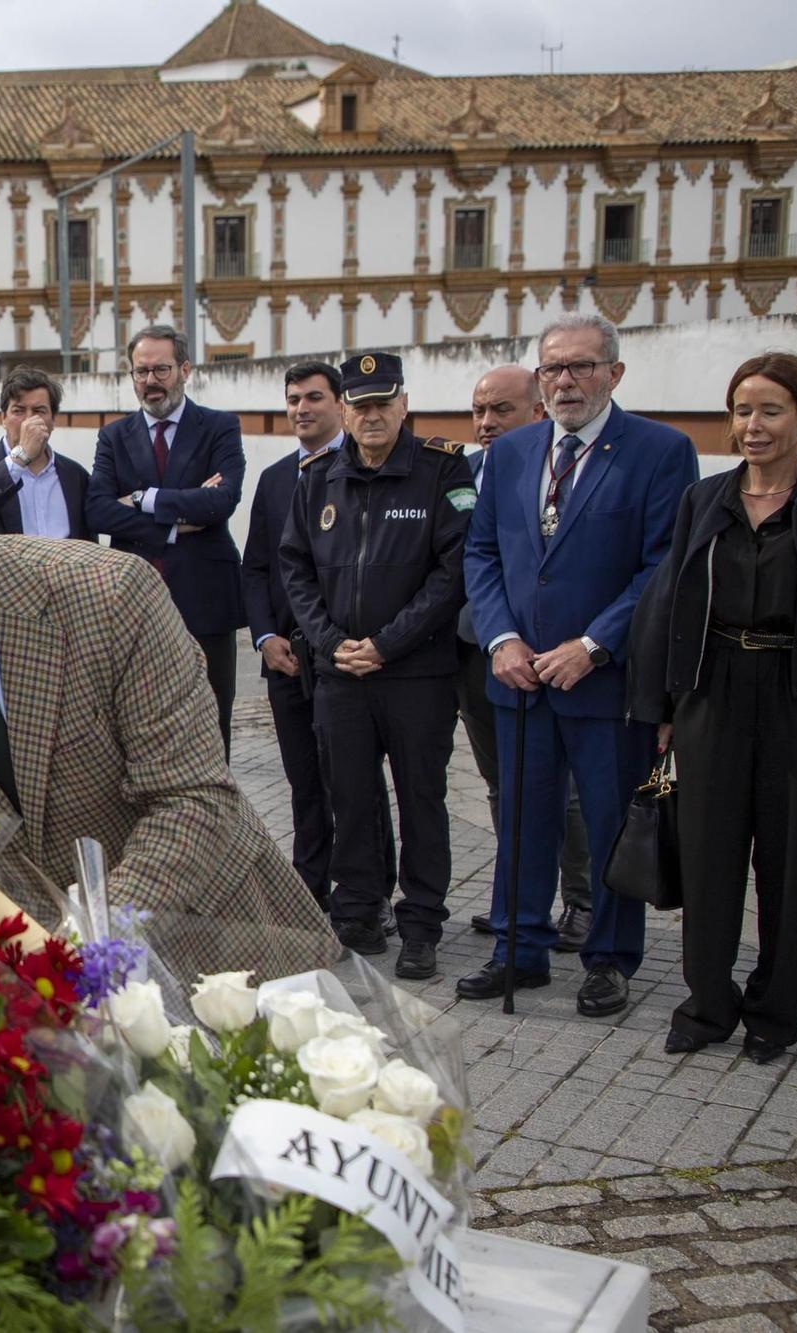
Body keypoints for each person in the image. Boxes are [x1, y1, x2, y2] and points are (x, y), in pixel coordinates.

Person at [0, 395, 336, 984]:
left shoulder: (110, 595)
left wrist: (78, 952)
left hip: (224, 958)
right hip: (31, 1006)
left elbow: (194, 800)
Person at [460, 313, 697, 1015]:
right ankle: (517, 948)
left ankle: (610, 958)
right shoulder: (510, 454)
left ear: (613, 373)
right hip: (520, 677)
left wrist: (593, 645)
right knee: (523, 818)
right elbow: (483, 553)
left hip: (605, 679)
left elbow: (663, 562)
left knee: (607, 821)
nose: (564, 380)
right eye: (552, 367)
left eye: (581, 366)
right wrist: (501, 638)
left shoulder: (660, 450)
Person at [630, 353, 797, 1064]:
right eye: (742, 410)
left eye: (771, 410)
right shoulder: (707, 499)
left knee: (790, 863)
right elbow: (671, 601)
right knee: (708, 855)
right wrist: (664, 705)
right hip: (712, 692)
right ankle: (706, 1004)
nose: (752, 425)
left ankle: (775, 1013)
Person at [279, 353, 473, 980]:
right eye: (360, 405)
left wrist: (387, 643)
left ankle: (420, 924)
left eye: (382, 403)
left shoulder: (442, 472)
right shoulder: (317, 480)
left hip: (415, 674)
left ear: (403, 405)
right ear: (346, 409)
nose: (371, 415)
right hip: (341, 675)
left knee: (421, 799)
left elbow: (453, 574)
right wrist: (330, 642)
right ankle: (359, 911)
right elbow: (296, 569)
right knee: (352, 799)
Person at [241, 361, 393, 914]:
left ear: (341, 406)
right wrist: (263, 638)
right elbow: (256, 567)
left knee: (356, 786)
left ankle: (371, 891)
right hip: (285, 659)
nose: (301, 409)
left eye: (313, 398)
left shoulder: (365, 471)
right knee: (303, 781)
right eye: (293, 400)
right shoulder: (277, 478)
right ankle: (310, 890)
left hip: (345, 658)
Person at [459, 365, 591, 951]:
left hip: (557, 657)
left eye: (502, 410)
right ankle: (515, 899)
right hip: (482, 651)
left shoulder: (563, 472)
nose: (487, 424)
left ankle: (582, 902)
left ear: (538, 410)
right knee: (500, 783)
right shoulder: (460, 472)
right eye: (479, 411)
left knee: (565, 793)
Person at [86, 324, 246, 755]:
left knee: (212, 724)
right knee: (138, 727)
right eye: (141, 371)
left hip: (205, 600)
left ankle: (219, 821)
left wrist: (141, 498)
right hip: (134, 603)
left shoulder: (219, 428)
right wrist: (175, 522)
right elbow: (98, 510)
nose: (150, 381)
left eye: (161, 369)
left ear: (185, 370)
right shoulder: (113, 436)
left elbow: (222, 502)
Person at [0, 368, 94, 541]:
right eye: (18, 411)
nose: (29, 421)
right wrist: (20, 458)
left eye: (39, 411)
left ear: (53, 419)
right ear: (3, 418)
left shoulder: (75, 476)